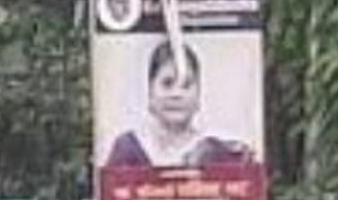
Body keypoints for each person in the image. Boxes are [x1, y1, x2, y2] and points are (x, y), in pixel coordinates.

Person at [103, 42, 255, 169]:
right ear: (150, 92)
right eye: (167, 83)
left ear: (198, 94)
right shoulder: (127, 150)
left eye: (186, 85)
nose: (176, 94)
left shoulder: (220, 154)